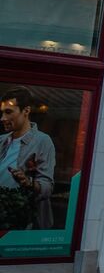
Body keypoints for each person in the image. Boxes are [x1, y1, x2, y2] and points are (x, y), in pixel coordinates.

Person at [0, 88, 58, 233]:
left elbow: (47, 187)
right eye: (2, 113)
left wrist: (28, 182)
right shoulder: (1, 140)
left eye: (8, 112)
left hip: (25, 223)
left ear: (26, 111)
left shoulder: (42, 141)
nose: (2, 118)